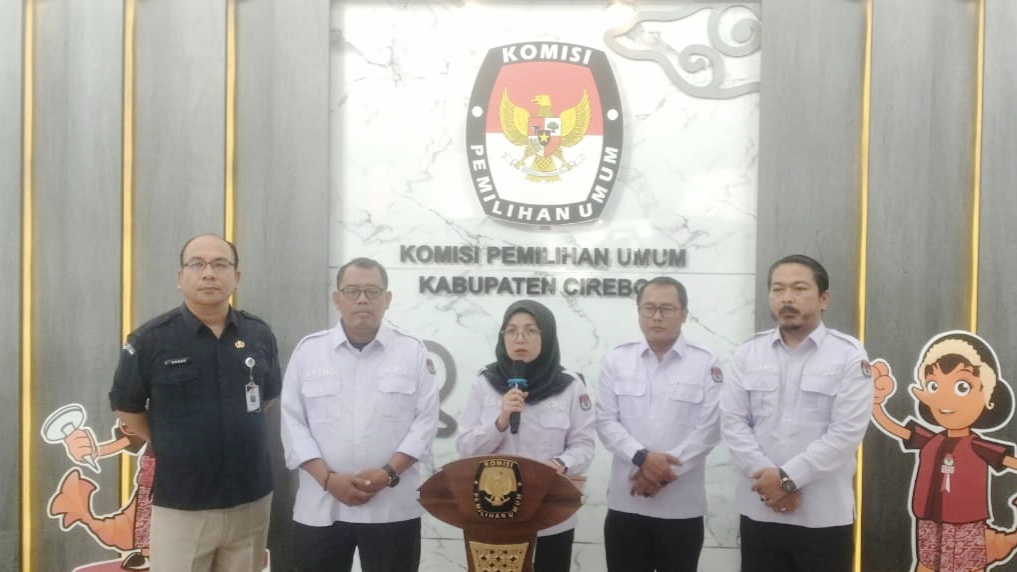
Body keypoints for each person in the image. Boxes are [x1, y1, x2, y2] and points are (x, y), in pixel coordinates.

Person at [108, 233, 281, 571]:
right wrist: (169, 441)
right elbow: (126, 406)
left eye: (220, 264)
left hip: (250, 497)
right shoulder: (150, 339)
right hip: (183, 503)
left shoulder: (259, 334)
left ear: (237, 276)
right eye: (197, 264)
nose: (209, 273)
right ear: (180, 277)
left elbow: (267, 397)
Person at [280, 257, 439, 572]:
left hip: (391, 505)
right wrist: (328, 480)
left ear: (387, 299)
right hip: (321, 505)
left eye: (372, 291)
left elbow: (425, 423)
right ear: (337, 298)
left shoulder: (412, 351)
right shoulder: (309, 352)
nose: (362, 299)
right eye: (352, 291)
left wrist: (388, 473)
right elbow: (292, 423)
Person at [719, 254, 873, 572]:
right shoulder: (749, 352)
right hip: (760, 511)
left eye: (799, 288)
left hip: (822, 516)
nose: (787, 298)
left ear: (824, 298)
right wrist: (769, 481)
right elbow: (733, 422)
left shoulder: (848, 355)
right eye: (778, 289)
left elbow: (846, 433)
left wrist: (787, 480)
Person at [456, 299, 596, 572]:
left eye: (531, 330)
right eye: (511, 330)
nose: (520, 338)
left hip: (551, 513)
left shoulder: (569, 386)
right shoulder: (485, 382)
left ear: (547, 335)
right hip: (495, 512)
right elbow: (465, 448)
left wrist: (559, 465)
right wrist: (500, 421)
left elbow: (584, 446)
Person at [595, 276, 722, 572]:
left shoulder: (705, 362)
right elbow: (605, 420)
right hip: (627, 503)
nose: (656, 317)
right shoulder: (617, 359)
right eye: (649, 308)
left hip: (682, 507)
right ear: (639, 311)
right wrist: (642, 458)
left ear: (684, 314)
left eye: (666, 309)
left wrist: (661, 473)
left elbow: (710, 428)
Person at [870, 330, 1017, 572]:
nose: (944, 398)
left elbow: (1010, 461)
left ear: (989, 397)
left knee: (964, 566)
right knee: (927, 564)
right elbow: (894, 428)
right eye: (933, 385)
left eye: (962, 386)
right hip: (928, 519)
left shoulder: (978, 446)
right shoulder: (930, 440)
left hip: (964, 524)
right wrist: (875, 403)